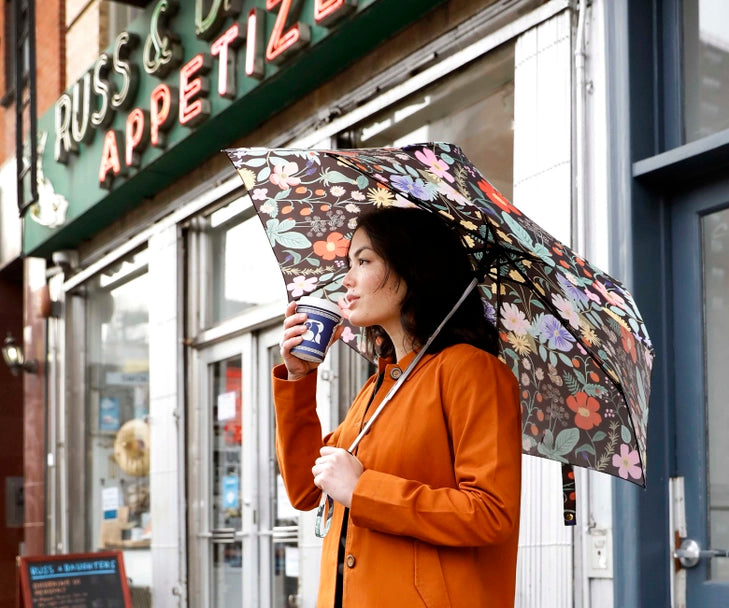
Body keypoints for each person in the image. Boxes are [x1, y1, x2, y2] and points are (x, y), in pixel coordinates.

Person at [273, 206, 522, 607]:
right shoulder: (378, 386)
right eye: (348, 264)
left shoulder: (472, 371)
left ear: (413, 267)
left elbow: (490, 513)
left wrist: (363, 490)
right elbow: (306, 489)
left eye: (364, 261)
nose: (347, 281)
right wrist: (299, 379)